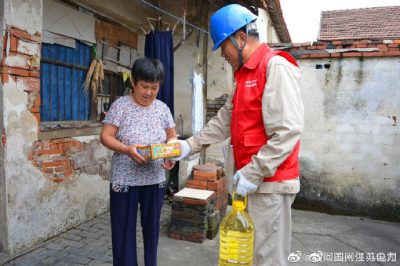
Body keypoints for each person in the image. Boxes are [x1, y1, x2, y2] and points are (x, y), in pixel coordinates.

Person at [172, 4, 304, 266]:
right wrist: (188, 146)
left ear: (241, 38)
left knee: (267, 259)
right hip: (253, 183)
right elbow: (224, 120)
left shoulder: (275, 67)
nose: (223, 55)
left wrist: (253, 172)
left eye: (224, 46)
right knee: (247, 256)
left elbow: (287, 132)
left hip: (271, 185)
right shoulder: (244, 77)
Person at [100, 57, 177, 266]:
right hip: (124, 180)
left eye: (155, 87)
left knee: (152, 230)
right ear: (133, 82)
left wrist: (170, 152)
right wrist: (127, 149)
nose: (149, 92)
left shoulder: (162, 108)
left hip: (154, 179)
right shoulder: (121, 106)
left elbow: (172, 136)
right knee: (123, 232)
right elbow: (105, 136)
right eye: (144, 86)